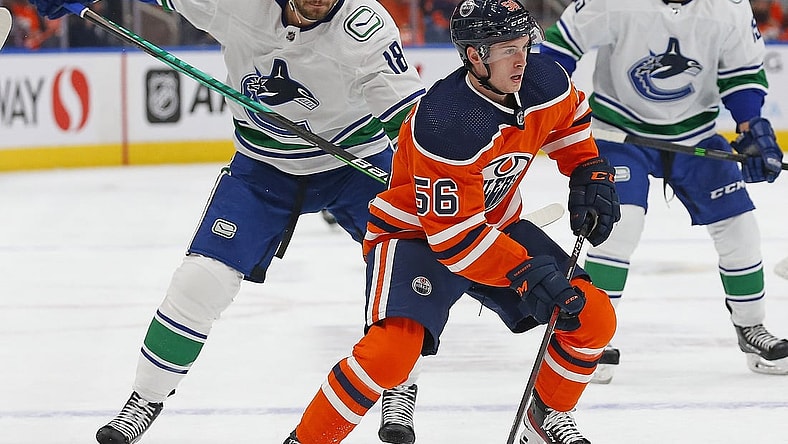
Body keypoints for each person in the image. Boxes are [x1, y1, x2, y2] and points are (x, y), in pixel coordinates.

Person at [28, 0, 428, 443]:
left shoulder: (364, 28)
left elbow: (410, 120)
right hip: (263, 167)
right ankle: (144, 399)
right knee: (200, 281)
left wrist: (443, 179)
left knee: (401, 276)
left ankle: (397, 383)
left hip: (355, 160)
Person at [282, 0, 621, 443]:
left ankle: (545, 415)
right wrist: (523, 271)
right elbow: (454, 239)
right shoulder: (446, 121)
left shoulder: (546, 79)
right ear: (475, 55)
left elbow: (569, 120)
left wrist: (587, 169)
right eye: (505, 48)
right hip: (416, 237)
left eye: (524, 44)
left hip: (494, 227)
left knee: (593, 317)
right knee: (390, 354)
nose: (520, 59)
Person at [540, 0, 788, 384]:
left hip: (696, 135)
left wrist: (751, 125)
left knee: (739, 228)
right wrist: (548, 103)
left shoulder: (728, 7)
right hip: (620, 134)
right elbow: (559, 48)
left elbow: (741, 74)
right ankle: (588, 339)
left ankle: (752, 328)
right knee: (618, 230)